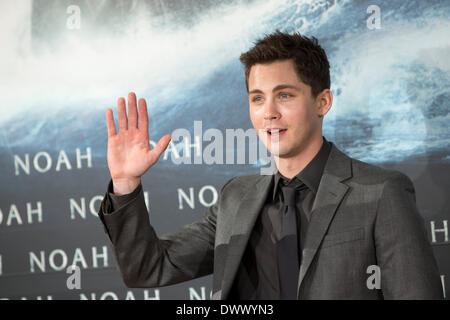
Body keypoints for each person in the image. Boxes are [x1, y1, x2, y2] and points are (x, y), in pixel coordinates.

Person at [97, 31, 443, 299]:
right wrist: (126, 183)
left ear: (322, 102)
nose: (269, 112)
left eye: (285, 95)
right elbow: (148, 268)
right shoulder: (236, 198)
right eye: (258, 98)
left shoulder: (381, 192)